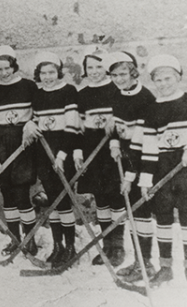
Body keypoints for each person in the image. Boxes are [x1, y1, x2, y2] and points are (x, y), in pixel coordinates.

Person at [139, 54, 187, 291]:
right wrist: (145, 179)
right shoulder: (151, 109)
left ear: (178, 77)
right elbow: (149, 146)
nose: (163, 83)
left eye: (168, 78)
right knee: (162, 217)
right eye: (158, 80)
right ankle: (165, 268)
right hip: (162, 166)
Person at [0, 45, 40, 257]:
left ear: (14, 66)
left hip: (23, 146)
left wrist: (32, 124)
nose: (4, 73)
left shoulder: (29, 87)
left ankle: (30, 240)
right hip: (0, 147)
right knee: (7, 195)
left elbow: (40, 112)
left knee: (22, 194)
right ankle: (15, 239)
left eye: (7, 68)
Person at [105, 51, 156, 277]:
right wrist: (114, 143)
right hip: (124, 154)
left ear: (133, 72)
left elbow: (147, 136)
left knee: (140, 209)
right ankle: (138, 262)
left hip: (142, 156)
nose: (119, 79)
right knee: (131, 209)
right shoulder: (117, 95)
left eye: (123, 73)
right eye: (114, 75)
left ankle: (145, 263)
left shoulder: (145, 97)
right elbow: (116, 123)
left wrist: (131, 171)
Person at [75, 47, 127, 268]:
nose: (94, 71)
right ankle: (107, 243)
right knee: (101, 198)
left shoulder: (116, 90)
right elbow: (77, 126)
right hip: (92, 151)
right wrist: (77, 150)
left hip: (114, 151)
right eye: (90, 67)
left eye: (98, 66)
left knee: (116, 197)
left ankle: (118, 245)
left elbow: (129, 117)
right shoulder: (82, 94)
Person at [30, 52, 80, 268]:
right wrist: (29, 125)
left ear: (58, 72)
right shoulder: (38, 94)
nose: (47, 76)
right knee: (53, 200)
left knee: (64, 200)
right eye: (43, 72)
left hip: (62, 153)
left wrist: (61, 156)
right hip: (44, 152)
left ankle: (70, 247)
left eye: (51, 72)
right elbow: (35, 120)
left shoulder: (68, 91)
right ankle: (57, 246)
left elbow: (71, 128)